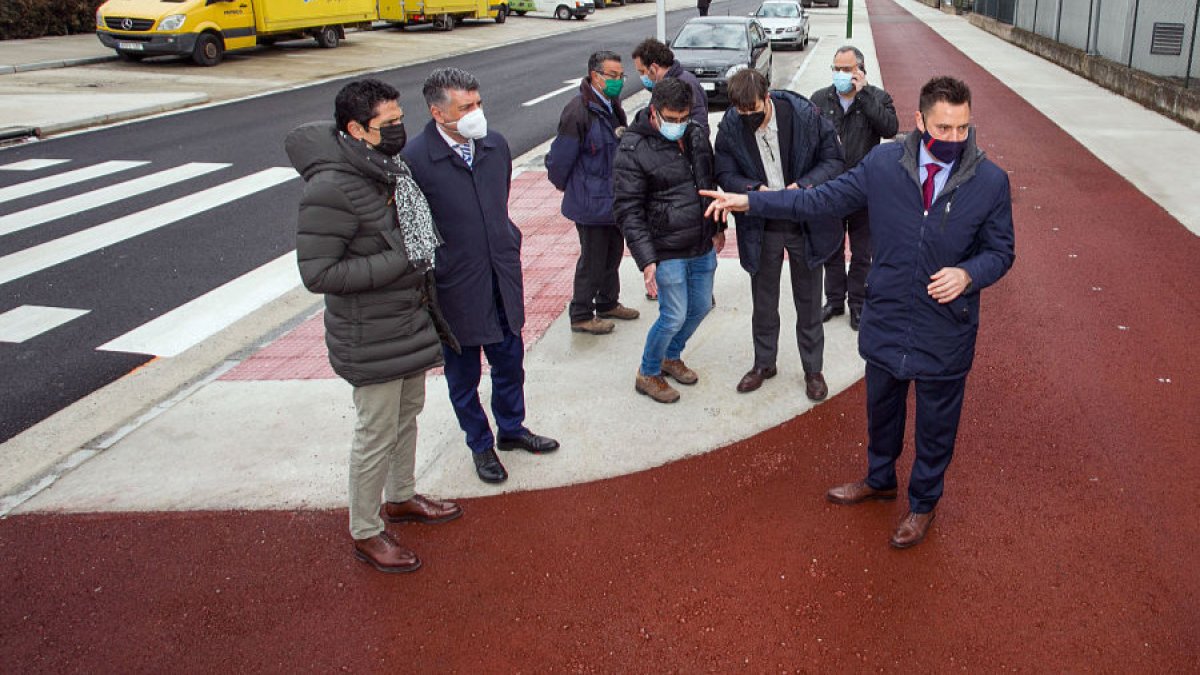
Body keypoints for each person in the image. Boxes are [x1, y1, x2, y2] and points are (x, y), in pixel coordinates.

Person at [701, 76, 1015, 549]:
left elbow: (1001, 251)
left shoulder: (990, 182)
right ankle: (879, 479)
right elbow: (819, 199)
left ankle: (923, 503)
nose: (954, 138)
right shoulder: (883, 165)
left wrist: (968, 274)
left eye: (962, 128)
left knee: (936, 427)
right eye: (943, 128)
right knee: (881, 413)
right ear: (919, 121)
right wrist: (752, 200)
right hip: (887, 316)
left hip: (945, 327)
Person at [285, 79, 462, 574]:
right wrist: (402, 259)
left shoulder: (387, 168)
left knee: (407, 416)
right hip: (371, 334)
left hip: (406, 320)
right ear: (357, 129)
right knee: (375, 433)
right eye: (389, 123)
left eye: (400, 118)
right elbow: (317, 274)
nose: (400, 128)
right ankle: (365, 530)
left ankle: (401, 496)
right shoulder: (331, 187)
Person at [402, 67, 560, 485]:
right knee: (464, 376)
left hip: (500, 277)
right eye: (465, 107)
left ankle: (511, 428)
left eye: (478, 103)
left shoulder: (495, 146)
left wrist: (506, 243)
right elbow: (413, 230)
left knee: (510, 362)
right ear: (438, 113)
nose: (476, 113)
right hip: (455, 287)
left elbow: (498, 203)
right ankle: (480, 444)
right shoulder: (414, 161)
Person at [713, 68, 843, 400]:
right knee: (764, 302)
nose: (748, 118)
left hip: (805, 220)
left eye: (753, 110)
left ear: (767, 98)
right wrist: (752, 189)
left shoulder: (805, 117)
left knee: (809, 301)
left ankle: (813, 369)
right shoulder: (731, 126)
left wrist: (805, 186)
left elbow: (833, 160)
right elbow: (724, 170)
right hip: (761, 222)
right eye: (741, 112)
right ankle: (764, 364)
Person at [613, 77, 724, 404]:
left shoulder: (696, 134)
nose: (678, 124)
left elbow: (708, 183)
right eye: (671, 118)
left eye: (684, 117)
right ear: (654, 111)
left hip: (701, 241)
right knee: (674, 314)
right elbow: (628, 209)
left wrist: (718, 226)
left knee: (701, 306)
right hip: (665, 249)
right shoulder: (633, 149)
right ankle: (648, 372)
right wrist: (646, 259)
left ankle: (670, 355)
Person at [545, 50, 640, 336]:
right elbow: (559, 160)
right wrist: (573, 188)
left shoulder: (611, 106)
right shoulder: (578, 111)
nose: (618, 81)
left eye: (621, 76)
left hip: (612, 199)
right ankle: (581, 313)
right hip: (590, 202)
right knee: (592, 259)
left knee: (612, 254)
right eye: (612, 76)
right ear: (595, 76)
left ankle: (607, 302)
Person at [810, 46, 899, 330]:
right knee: (832, 250)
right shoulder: (819, 99)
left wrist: (865, 94)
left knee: (862, 253)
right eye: (836, 69)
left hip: (864, 191)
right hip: (831, 189)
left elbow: (889, 128)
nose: (840, 74)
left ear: (860, 71)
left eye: (846, 69)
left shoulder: (878, 98)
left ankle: (858, 304)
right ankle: (834, 300)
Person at [632, 38, 709, 134]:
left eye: (642, 71)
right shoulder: (665, 84)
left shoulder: (684, 84)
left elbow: (699, 124)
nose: (642, 76)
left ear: (653, 68)